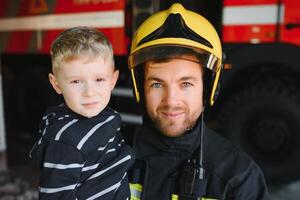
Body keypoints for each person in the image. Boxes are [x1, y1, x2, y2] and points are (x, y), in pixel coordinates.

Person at [127, 3, 270, 200]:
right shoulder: (111, 157)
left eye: (185, 84)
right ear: (141, 88)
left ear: (208, 88)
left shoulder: (238, 178)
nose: (171, 100)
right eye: (157, 84)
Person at [30, 27, 134, 199]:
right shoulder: (65, 142)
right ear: (56, 84)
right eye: (76, 81)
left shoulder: (107, 116)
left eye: (99, 79)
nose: (89, 92)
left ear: (113, 80)